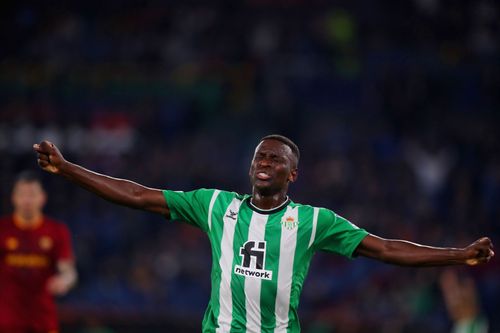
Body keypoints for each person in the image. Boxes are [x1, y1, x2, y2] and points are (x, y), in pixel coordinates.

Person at [33, 135, 494, 333]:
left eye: (275, 160)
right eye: (259, 156)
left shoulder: (315, 222)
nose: (264, 163)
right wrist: (69, 169)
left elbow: (387, 248)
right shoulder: (216, 205)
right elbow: (137, 195)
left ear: (293, 175)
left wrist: (457, 256)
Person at [0, 171, 77, 333]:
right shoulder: (2, 230)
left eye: (32, 194)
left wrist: (64, 280)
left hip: (43, 321)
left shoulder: (56, 231)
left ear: (43, 198)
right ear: (14, 198)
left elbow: (68, 271)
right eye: (22, 194)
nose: (27, 200)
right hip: (6, 322)